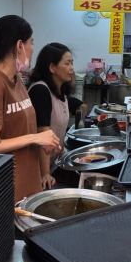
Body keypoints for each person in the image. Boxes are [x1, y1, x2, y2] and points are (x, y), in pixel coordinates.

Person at [0, 15, 61, 202]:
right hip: (5, 193)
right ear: (19, 46)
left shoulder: (16, 79)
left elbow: (17, 129)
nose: (33, 48)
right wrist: (34, 138)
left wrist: (41, 141)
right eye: (31, 42)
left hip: (27, 186)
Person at [28, 43, 86, 189]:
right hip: (37, 170)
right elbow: (43, 135)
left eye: (72, 63)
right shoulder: (40, 91)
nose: (71, 68)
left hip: (53, 163)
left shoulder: (60, 92)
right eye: (67, 63)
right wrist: (45, 174)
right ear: (52, 67)